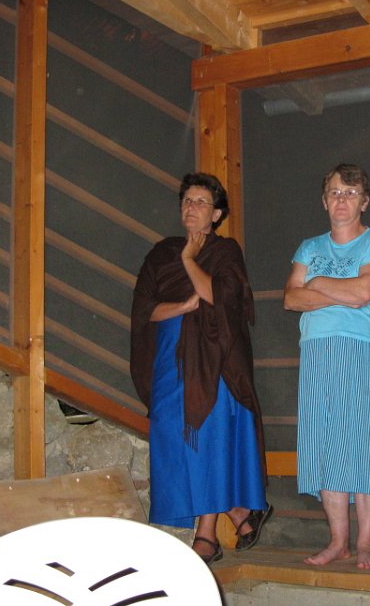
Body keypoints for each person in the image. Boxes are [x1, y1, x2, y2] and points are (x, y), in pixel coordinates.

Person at [130, 172, 272, 564]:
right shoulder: (161, 252)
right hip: (169, 356)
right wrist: (182, 306)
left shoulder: (225, 251)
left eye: (201, 202)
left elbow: (218, 297)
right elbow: (144, 309)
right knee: (173, 436)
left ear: (217, 214)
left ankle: (206, 534)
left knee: (208, 437)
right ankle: (240, 512)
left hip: (215, 358)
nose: (191, 208)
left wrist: (190, 260)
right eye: (187, 201)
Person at [284, 163, 370, 569]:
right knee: (324, 440)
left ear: (364, 202)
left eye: (350, 193)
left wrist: (316, 285)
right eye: (335, 192)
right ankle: (338, 541)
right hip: (317, 350)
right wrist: (339, 293)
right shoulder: (309, 247)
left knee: (365, 440)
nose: (342, 200)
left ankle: (366, 541)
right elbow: (291, 299)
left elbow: (365, 292)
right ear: (324, 201)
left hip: (363, 347)